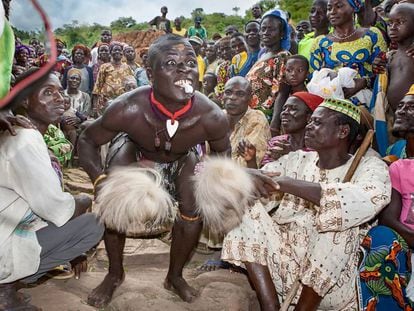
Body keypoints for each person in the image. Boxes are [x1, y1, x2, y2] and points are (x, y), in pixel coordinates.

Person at [78, 34, 230, 308]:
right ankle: (114, 274)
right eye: (171, 63)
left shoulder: (212, 116)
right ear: (149, 73)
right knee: (113, 197)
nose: (184, 70)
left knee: (193, 208)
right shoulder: (128, 108)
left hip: (182, 156)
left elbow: (223, 156)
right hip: (135, 149)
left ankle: (174, 276)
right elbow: (87, 140)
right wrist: (99, 179)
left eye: (189, 63)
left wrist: (214, 183)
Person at [222, 97, 391, 310]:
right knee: (244, 206)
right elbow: (261, 180)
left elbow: (365, 200)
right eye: (310, 121)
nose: (309, 126)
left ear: (342, 131)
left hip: (332, 283)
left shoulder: (371, 167)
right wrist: (247, 173)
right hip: (285, 267)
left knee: (339, 222)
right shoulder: (296, 160)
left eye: (318, 123)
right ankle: (270, 307)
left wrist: (287, 184)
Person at [0, 72, 104, 310]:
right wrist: (86, 199)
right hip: (4, 240)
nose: (60, 98)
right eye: (48, 93)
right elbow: (56, 208)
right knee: (94, 223)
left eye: (60, 91)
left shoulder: (20, 135)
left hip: (9, 227)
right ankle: (4, 291)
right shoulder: (25, 139)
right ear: (25, 101)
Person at [357, 88, 414, 311]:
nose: (401, 110)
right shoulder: (398, 165)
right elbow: (389, 219)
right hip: (406, 245)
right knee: (380, 236)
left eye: (410, 107)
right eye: (399, 106)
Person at [309, 0, 387, 107]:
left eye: (338, 6)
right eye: (329, 8)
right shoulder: (320, 42)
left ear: (354, 8)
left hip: (366, 103)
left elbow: (383, 71)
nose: (332, 12)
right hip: (329, 104)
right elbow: (312, 78)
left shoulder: (372, 35)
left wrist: (364, 82)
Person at [241, 92, 324, 169]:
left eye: (293, 109)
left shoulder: (318, 149)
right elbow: (264, 177)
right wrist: (251, 160)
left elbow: (316, 177)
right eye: (284, 108)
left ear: (309, 117)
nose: (284, 113)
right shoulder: (277, 142)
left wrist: (294, 155)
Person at [246, 9, 291, 122]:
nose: (266, 32)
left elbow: (282, 93)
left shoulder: (282, 57)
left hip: (266, 118)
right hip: (253, 115)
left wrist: (274, 123)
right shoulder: (264, 55)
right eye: (263, 29)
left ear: (282, 33)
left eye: (271, 29)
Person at [386, 3, 414, 115]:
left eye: (400, 22)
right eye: (390, 23)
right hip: (395, 118)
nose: (393, 27)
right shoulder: (391, 57)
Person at [92, 42, 133, 117]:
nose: (117, 51)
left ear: (122, 53)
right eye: (115, 50)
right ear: (110, 53)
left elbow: (132, 85)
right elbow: (97, 87)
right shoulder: (104, 67)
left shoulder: (127, 67)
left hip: (122, 103)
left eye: (119, 50)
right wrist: (95, 108)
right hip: (105, 103)